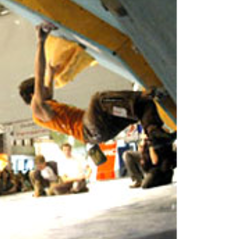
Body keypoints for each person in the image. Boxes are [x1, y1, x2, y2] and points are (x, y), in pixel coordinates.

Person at [19, 23, 176, 169]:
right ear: (34, 94)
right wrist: (41, 41)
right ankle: (143, 96)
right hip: (89, 129)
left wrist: (52, 72)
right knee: (98, 100)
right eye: (43, 88)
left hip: (102, 130)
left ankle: (154, 132)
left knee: (143, 105)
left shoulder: (47, 104)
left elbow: (45, 78)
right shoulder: (38, 108)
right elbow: (40, 76)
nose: (48, 87)